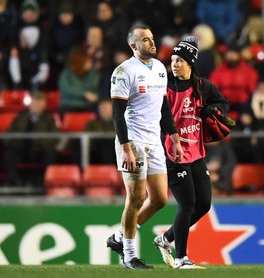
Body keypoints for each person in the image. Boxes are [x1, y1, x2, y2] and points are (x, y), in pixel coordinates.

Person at [106, 25, 183, 270]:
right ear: (133, 46)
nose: (152, 42)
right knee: (137, 196)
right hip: (134, 141)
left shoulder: (160, 68)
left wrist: (174, 135)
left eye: (152, 38)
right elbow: (117, 115)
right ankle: (129, 256)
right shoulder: (124, 71)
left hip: (154, 141)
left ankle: (119, 238)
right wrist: (126, 147)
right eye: (146, 39)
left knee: (159, 199)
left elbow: (164, 107)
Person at [153, 36, 229, 269]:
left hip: (196, 152)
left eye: (180, 60)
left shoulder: (202, 86)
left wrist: (212, 109)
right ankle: (180, 258)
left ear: (191, 63)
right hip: (173, 153)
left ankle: (166, 239)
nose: (174, 64)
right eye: (173, 60)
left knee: (203, 204)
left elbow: (223, 104)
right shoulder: (164, 85)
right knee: (186, 205)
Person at [3, 92, 59, 186]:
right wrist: (15, 143)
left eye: (39, 103)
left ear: (44, 105)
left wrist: (42, 143)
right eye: (34, 102)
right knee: (9, 155)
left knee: (50, 154)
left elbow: (55, 137)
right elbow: (9, 134)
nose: (36, 105)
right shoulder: (20, 117)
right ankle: (16, 181)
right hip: (22, 148)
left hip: (41, 149)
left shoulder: (49, 118)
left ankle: (45, 181)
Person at [84, 99, 116, 164]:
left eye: (106, 108)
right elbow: (86, 137)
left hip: (114, 149)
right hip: (95, 148)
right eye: (101, 108)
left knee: (107, 145)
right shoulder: (92, 123)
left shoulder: (119, 123)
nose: (103, 110)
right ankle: (82, 171)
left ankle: (108, 170)